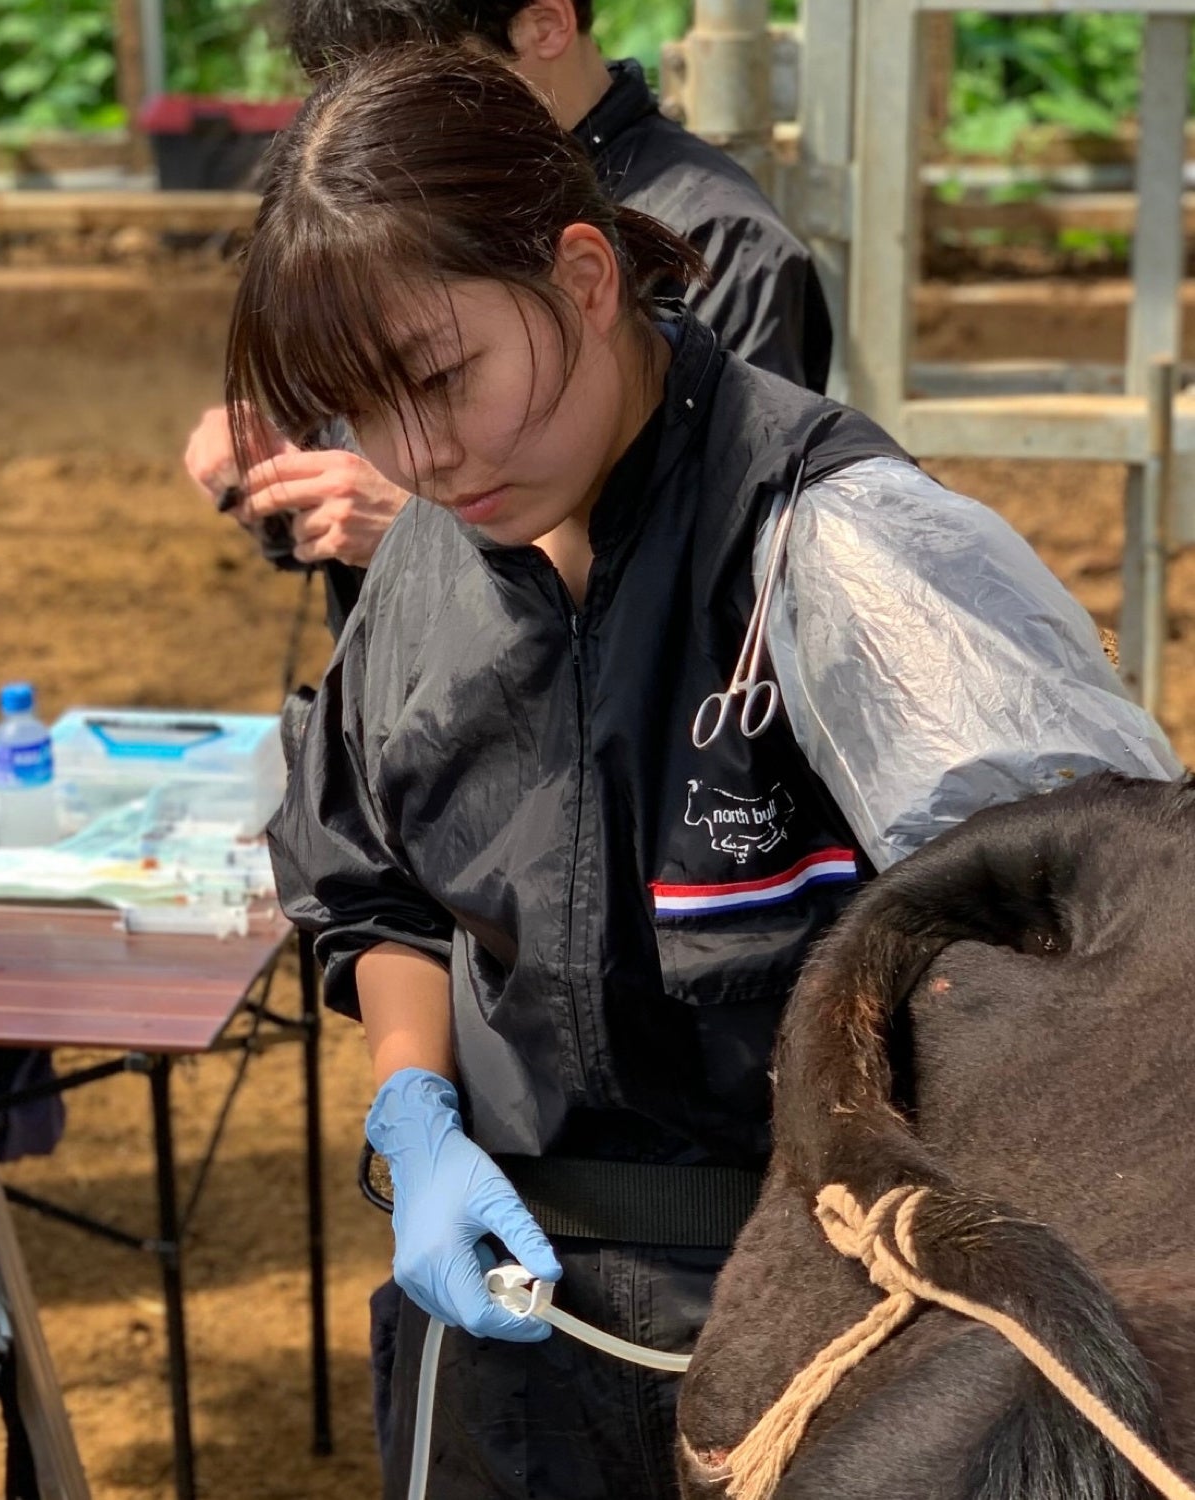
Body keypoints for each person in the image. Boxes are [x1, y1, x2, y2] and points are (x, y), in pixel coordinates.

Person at [237, 50, 1177, 1499]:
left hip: (824, 1341)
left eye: (441, 379)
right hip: (506, 1317)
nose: (418, 459)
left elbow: (1098, 954)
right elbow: (378, 888)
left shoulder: (841, 554)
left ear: (586, 273)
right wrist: (413, 1113)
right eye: (359, 416)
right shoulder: (426, 568)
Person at [185, 0, 832, 615]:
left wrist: (434, 539)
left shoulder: (724, 241)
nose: (375, 126)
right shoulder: (375, 208)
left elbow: (739, 575)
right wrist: (276, 476)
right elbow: (344, 474)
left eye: (418, 81)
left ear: (544, 24)